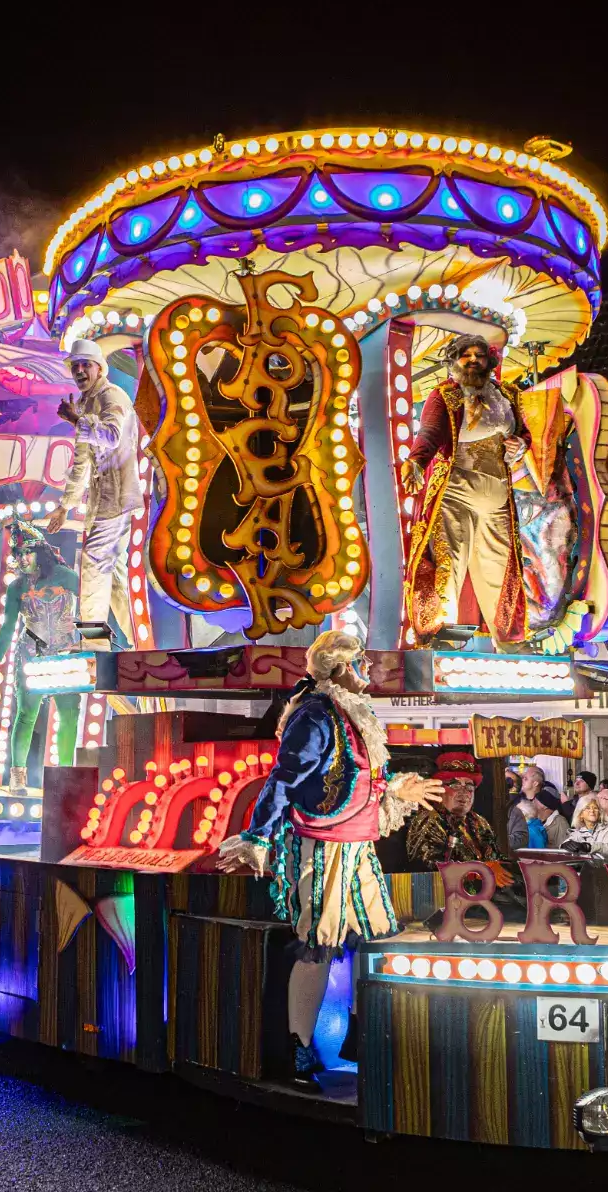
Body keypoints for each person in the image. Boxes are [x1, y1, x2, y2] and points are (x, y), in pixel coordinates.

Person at [218, 631, 439, 1086]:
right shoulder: (317, 714)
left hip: (358, 845)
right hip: (321, 847)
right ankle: (297, 1049)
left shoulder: (351, 712)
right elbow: (284, 779)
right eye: (360, 663)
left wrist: (397, 787)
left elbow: (362, 776)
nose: (368, 671)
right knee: (317, 945)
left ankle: (361, 1035)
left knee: (376, 937)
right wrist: (258, 836)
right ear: (339, 669)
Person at [400, 332, 530, 646]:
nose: (472, 361)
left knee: (499, 565)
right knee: (449, 562)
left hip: (497, 493)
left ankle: (509, 639)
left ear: (490, 361)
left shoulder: (507, 395)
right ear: (455, 361)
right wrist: (416, 462)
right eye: (465, 355)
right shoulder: (445, 394)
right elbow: (429, 433)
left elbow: (524, 432)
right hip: (455, 490)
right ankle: (441, 636)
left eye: (479, 356)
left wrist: (521, 443)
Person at [44, 338, 142, 649]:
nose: (80, 371)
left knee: (93, 564)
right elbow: (82, 460)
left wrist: (76, 419)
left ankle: (94, 645)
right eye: (75, 366)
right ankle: (141, 642)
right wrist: (65, 505)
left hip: (116, 498)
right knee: (113, 579)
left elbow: (111, 437)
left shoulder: (111, 396)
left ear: (100, 368)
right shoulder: (88, 403)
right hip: (108, 498)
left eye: (85, 364)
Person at [0, 531, 83, 791]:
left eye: (27, 552)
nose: (22, 559)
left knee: (69, 714)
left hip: (66, 653)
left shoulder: (66, 576)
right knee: (26, 715)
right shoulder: (16, 587)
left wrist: (90, 642)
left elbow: (90, 606)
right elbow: (8, 626)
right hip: (31, 653)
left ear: (40, 552)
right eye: (18, 554)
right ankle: (17, 777)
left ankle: (65, 776)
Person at [405, 758, 502, 869]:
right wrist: (482, 871)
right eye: (455, 786)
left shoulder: (479, 821)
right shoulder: (428, 819)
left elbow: (496, 857)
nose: (464, 792)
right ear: (439, 790)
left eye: (469, 787)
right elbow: (432, 867)